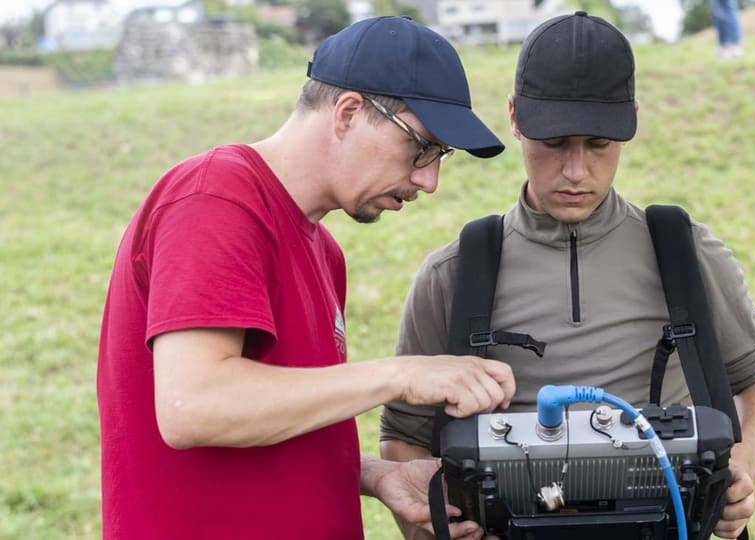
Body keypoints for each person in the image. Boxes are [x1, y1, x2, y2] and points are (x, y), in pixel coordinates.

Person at [97, 16, 518, 540]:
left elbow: (273, 412)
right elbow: (194, 406)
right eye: (422, 147)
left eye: (440, 158)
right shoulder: (216, 199)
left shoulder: (325, 252)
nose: (428, 180)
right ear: (348, 113)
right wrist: (402, 374)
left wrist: (370, 473)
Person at [379, 11, 755, 540]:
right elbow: (403, 433)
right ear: (514, 117)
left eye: (598, 144)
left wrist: (742, 469)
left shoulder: (684, 252)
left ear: (631, 122)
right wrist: (429, 526)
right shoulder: (454, 274)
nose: (575, 171)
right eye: (553, 143)